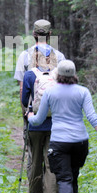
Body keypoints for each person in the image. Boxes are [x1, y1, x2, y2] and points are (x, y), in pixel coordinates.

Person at [27, 59, 97, 193]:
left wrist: (30, 116)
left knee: (64, 178)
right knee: (73, 176)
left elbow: (39, 119)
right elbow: (92, 117)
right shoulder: (83, 92)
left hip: (59, 142)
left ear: (57, 74)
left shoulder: (50, 92)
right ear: (74, 74)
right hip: (80, 142)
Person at [14, 19, 65, 179]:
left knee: (33, 157)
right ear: (50, 34)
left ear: (34, 34)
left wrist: (26, 111)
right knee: (52, 157)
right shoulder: (60, 56)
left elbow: (22, 87)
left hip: (32, 112)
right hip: (55, 114)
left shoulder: (25, 56)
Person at [22, 44, 58, 193]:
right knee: (51, 164)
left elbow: (24, 100)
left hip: (35, 125)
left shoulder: (30, 75)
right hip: (54, 125)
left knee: (35, 162)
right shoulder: (57, 75)